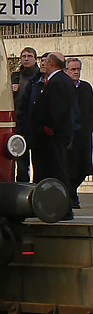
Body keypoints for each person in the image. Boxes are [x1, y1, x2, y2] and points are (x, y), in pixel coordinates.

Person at [28, 52, 78, 218]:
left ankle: (63, 207)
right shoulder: (64, 81)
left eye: (46, 62)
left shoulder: (56, 82)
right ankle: (47, 206)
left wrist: (49, 127)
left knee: (56, 170)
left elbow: (57, 108)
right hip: (57, 134)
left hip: (52, 136)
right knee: (49, 170)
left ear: (51, 63)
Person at [66, 57, 93, 211]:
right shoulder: (64, 87)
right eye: (73, 69)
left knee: (84, 168)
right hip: (69, 135)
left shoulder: (86, 88)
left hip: (84, 135)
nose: (76, 72)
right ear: (66, 70)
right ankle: (71, 196)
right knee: (70, 167)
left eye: (78, 69)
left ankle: (72, 192)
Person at [12, 47, 40, 182]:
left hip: (35, 125)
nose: (26, 59)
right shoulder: (16, 77)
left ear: (35, 59)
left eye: (29, 56)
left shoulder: (39, 77)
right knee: (21, 164)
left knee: (38, 163)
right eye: (24, 56)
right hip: (19, 124)